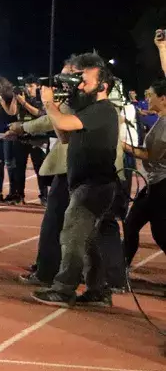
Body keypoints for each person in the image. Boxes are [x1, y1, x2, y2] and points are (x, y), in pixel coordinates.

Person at [31, 54, 123, 307]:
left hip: (93, 186)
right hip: (87, 185)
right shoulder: (90, 110)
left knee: (71, 237)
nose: (80, 86)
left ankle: (63, 289)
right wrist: (57, 109)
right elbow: (63, 135)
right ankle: (98, 290)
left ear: (103, 86)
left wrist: (49, 104)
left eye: (85, 81)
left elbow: (63, 122)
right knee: (89, 240)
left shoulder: (103, 110)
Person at [122, 79, 166, 267]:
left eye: (150, 95)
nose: (146, 98)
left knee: (161, 233)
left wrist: (123, 146)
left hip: (162, 185)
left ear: (163, 98)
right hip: (154, 184)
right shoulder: (160, 119)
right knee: (131, 224)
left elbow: (151, 155)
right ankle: (121, 270)